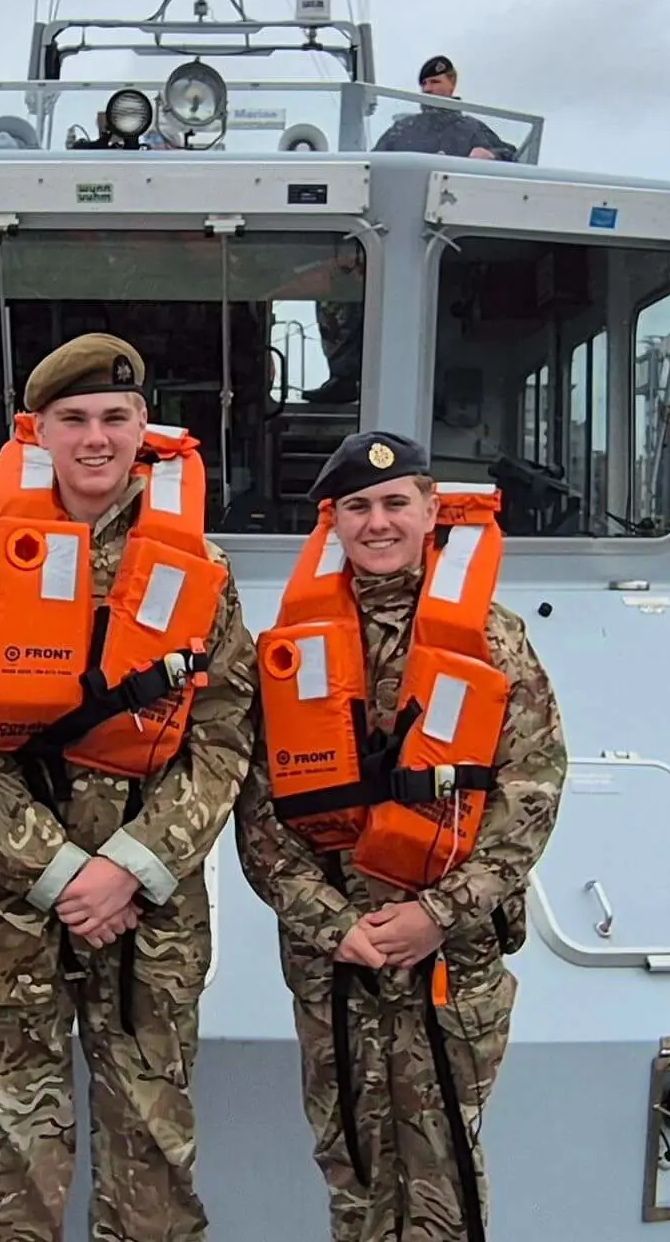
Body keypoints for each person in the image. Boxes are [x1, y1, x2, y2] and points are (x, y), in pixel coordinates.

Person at [0, 333, 257, 1241]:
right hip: (11, 912)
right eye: (74, 419)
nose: (97, 438)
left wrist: (132, 866)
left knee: (154, 1155)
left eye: (115, 417)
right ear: (38, 431)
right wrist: (64, 873)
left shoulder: (206, 573)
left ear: (144, 426)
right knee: (11, 1160)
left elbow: (224, 736)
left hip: (151, 911)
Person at [235, 430, 568, 1242]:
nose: (377, 522)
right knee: (352, 1166)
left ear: (429, 511)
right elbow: (259, 814)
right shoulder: (286, 649)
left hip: (451, 961)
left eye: (394, 503)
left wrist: (439, 913)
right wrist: (335, 925)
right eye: (357, 506)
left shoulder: (493, 639)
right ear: (333, 520)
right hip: (337, 968)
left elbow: (531, 795)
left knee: (445, 1173)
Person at [372, 55, 518, 162]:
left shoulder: (471, 129)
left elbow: (512, 155)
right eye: (424, 84)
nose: (427, 88)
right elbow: (369, 162)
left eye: (434, 82)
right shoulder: (402, 129)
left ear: (452, 85)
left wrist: (492, 155)